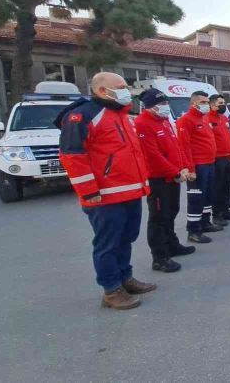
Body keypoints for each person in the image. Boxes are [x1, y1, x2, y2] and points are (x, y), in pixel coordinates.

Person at [56, 72, 155, 310]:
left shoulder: (120, 114)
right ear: (102, 91)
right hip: (104, 196)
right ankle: (111, 290)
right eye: (120, 87)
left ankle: (124, 278)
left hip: (128, 192)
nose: (126, 90)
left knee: (126, 238)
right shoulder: (83, 116)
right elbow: (72, 156)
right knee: (108, 244)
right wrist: (89, 191)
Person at [134, 89, 196, 274]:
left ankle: (172, 245)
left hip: (173, 176)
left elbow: (176, 147)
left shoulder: (165, 121)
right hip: (158, 178)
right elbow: (152, 155)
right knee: (158, 217)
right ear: (150, 107)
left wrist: (184, 167)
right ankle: (159, 257)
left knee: (172, 211)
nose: (166, 107)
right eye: (162, 104)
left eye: (166, 103)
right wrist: (175, 170)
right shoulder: (142, 123)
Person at [177, 90, 222, 244]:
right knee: (196, 198)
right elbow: (184, 146)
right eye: (203, 102)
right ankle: (193, 230)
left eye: (207, 102)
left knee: (208, 195)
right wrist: (190, 168)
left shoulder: (204, 119)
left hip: (209, 163)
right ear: (193, 103)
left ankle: (205, 222)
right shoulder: (186, 120)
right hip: (198, 165)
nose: (206, 105)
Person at [207, 94, 230, 226]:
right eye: (220, 103)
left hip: (227, 157)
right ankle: (217, 214)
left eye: (224, 102)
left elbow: (229, 137)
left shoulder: (224, 118)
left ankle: (226, 210)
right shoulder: (207, 118)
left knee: (227, 185)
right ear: (212, 104)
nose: (223, 105)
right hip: (216, 158)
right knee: (217, 187)